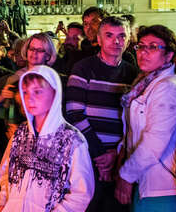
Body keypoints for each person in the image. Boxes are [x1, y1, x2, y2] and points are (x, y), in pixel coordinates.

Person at [64, 16, 138, 211]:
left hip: (119, 160)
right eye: (109, 36)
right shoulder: (83, 68)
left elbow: (134, 121)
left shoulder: (133, 74)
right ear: (98, 39)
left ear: (129, 39)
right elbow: (74, 113)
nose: (116, 41)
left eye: (122, 36)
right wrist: (100, 155)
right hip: (88, 157)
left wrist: (116, 154)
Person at [0, 65, 94, 211]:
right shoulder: (20, 134)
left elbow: (81, 193)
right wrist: (4, 201)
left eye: (38, 92)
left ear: (55, 94)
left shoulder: (72, 140)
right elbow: (6, 172)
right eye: (25, 92)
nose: (30, 98)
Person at [115, 25, 176, 211]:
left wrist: (126, 175)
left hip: (161, 185)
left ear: (169, 55)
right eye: (141, 46)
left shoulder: (168, 88)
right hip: (144, 181)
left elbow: (154, 141)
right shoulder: (146, 82)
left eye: (154, 47)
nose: (144, 52)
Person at [0, 32, 57, 147]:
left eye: (40, 50)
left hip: (48, 138)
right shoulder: (15, 79)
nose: (34, 53)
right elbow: (6, 113)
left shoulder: (54, 80)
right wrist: (2, 99)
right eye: (31, 49)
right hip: (19, 139)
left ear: (48, 55)